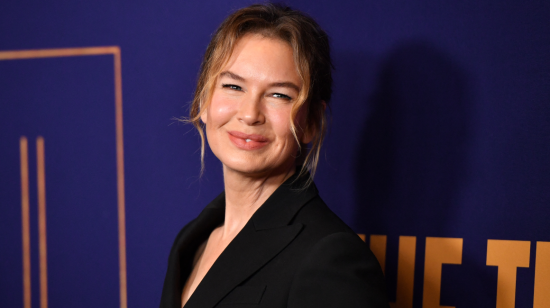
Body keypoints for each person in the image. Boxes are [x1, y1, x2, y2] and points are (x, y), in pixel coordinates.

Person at [160, 3, 388, 308]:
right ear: (204, 99)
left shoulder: (330, 258)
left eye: (279, 95)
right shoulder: (191, 241)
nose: (250, 114)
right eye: (233, 86)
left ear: (311, 123)